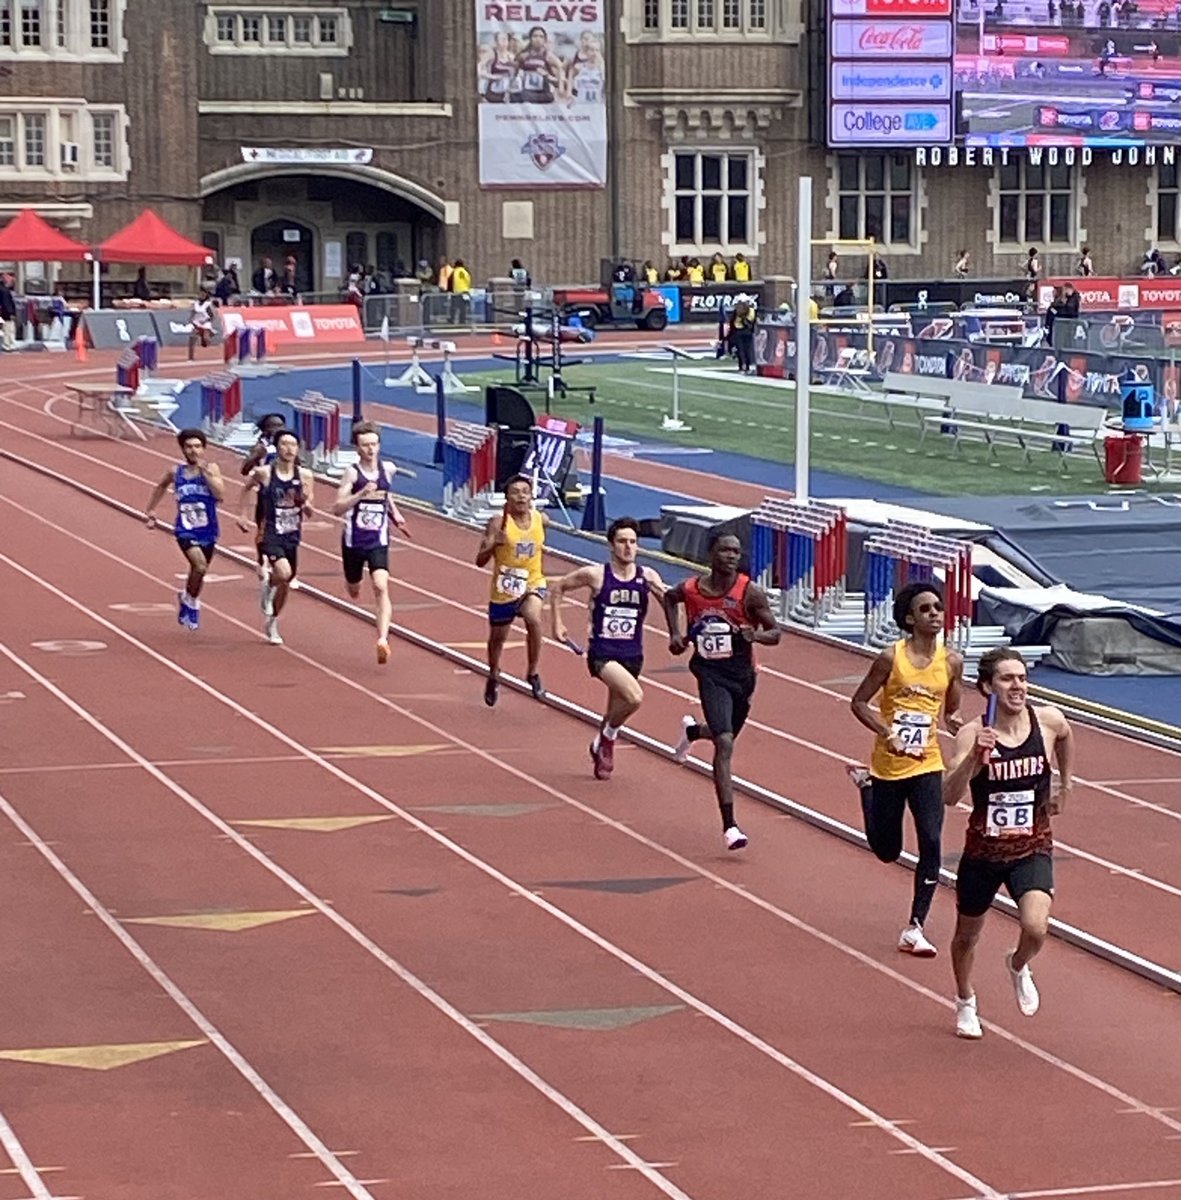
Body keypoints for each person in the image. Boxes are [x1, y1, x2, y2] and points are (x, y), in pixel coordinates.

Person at [942, 648, 1073, 1039]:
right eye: (1007, 679)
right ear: (988, 687)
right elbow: (949, 796)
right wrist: (974, 762)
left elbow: (1067, 736)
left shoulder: (1046, 721)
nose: (1018, 686)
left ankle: (1017, 964)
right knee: (966, 936)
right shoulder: (971, 733)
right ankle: (965, 1000)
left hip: (1032, 846)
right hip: (983, 852)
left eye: (1022, 678)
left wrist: (1065, 783)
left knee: (1036, 928)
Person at [849, 582, 964, 955]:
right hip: (888, 765)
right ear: (910, 618)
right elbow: (859, 703)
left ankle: (916, 926)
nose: (935, 614)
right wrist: (887, 733)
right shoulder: (889, 658)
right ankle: (866, 789)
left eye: (938, 608)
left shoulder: (951, 662)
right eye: (926, 609)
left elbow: (951, 712)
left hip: (927, 762)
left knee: (931, 841)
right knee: (887, 851)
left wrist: (958, 724)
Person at [664, 534, 781, 850]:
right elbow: (669, 597)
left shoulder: (749, 593)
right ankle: (730, 826)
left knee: (723, 734)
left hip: (742, 677)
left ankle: (693, 731)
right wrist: (675, 633)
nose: (730, 555)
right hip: (709, 673)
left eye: (735, 550)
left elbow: (775, 632)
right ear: (711, 554)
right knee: (725, 743)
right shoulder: (691, 589)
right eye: (724, 550)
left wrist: (754, 635)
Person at [549, 517, 667, 780]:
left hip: (633, 654)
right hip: (602, 653)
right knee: (634, 697)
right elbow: (558, 587)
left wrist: (677, 634)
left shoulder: (647, 577)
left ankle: (598, 746)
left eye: (633, 542)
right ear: (611, 546)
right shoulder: (596, 575)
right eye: (622, 542)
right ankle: (608, 739)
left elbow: (670, 602)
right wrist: (557, 624)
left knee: (615, 709)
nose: (628, 547)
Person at [331, 421, 409, 664]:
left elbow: (386, 494)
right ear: (357, 448)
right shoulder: (352, 473)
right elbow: (337, 508)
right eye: (365, 445)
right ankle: (351, 581)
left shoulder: (388, 469)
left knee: (380, 586)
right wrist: (360, 494)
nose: (370, 450)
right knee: (354, 588)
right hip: (354, 542)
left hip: (378, 539)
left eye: (374, 444)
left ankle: (382, 639)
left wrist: (395, 514)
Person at [475, 475, 548, 707]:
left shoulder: (541, 519)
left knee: (534, 618)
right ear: (507, 497)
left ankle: (533, 672)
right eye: (515, 492)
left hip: (532, 582)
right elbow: (479, 561)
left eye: (525, 492)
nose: (521, 496)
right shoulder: (498, 523)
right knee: (498, 639)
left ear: (531, 496)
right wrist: (494, 544)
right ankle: (494, 673)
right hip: (505, 588)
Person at [237, 429, 314, 645]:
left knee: (285, 582)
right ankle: (271, 585)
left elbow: (310, 511)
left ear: (298, 449)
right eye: (284, 444)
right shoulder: (265, 473)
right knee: (284, 571)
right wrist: (242, 514)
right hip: (270, 532)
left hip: (292, 534)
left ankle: (272, 621)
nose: (289, 449)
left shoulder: (305, 476)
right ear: (277, 448)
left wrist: (305, 502)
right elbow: (246, 488)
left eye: (293, 445)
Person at [143, 429, 225, 631]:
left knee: (199, 572)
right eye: (189, 446)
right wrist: (151, 510)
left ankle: (188, 597)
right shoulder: (175, 472)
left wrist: (207, 476)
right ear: (182, 449)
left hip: (208, 530)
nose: (193, 450)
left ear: (204, 448)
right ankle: (194, 604)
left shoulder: (211, 469)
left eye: (197, 446)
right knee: (200, 566)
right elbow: (160, 486)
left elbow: (220, 495)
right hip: (185, 529)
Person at [241, 413, 286, 598]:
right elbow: (244, 470)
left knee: (287, 533)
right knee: (263, 531)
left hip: (286, 497)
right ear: (266, 429)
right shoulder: (262, 447)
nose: (279, 429)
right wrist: (255, 458)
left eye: (281, 425)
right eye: (274, 426)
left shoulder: (289, 444)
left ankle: (285, 568)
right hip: (266, 496)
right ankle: (262, 560)